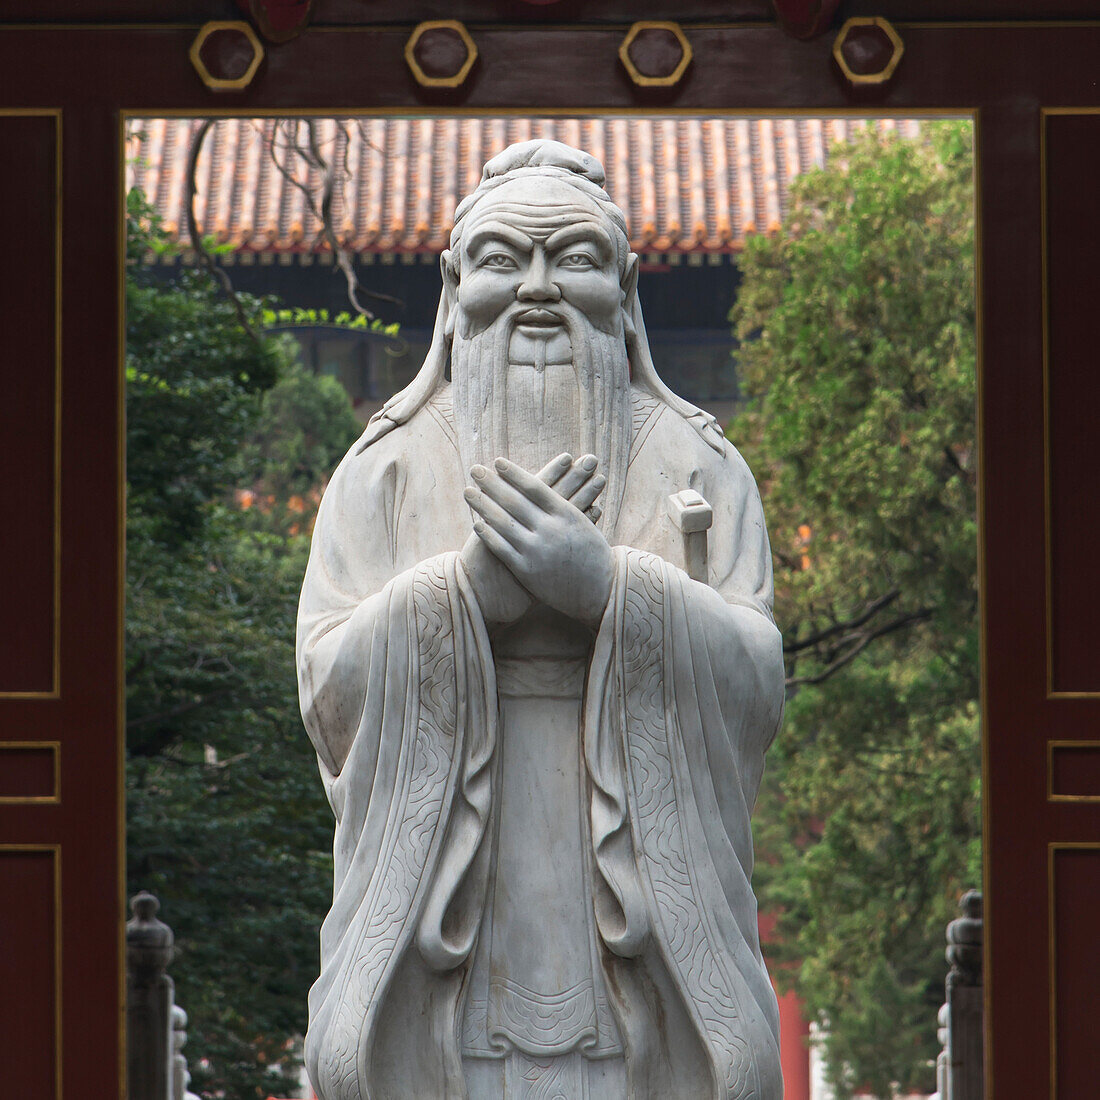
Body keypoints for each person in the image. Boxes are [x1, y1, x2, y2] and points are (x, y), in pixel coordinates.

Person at [297, 139, 785, 1100]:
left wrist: (610, 588)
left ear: (626, 286)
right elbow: (326, 683)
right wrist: (463, 595)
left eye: (573, 258)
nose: (535, 290)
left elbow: (757, 681)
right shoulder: (383, 469)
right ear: (451, 285)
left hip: (645, 927)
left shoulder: (699, 465)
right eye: (499, 260)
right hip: (449, 926)